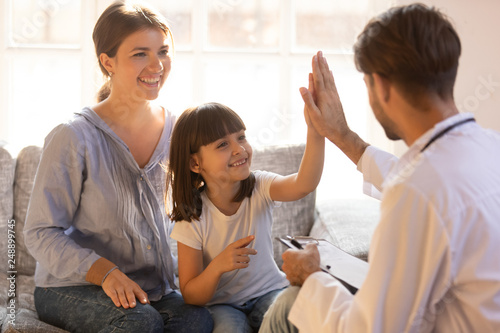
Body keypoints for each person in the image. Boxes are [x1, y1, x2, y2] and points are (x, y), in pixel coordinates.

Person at [260, 3, 500, 332]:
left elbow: (370, 329)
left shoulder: (417, 191)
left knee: (288, 306)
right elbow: (427, 185)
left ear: (381, 85)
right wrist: (342, 136)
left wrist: (311, 276)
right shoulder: (489, 147)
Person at [23, 2, 212, 332]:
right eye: (141, 54)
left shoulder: (179, 130)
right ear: (107, 62)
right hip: (72, 287)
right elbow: (39, 233)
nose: (157, 65)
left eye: (163, 51)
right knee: (139, 321)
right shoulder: (73, 137)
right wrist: (105, 272)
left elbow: (207, 200)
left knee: (196, 318)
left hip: (152, 288)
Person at [166, 101, 325, 332]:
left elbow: (304, 184)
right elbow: (191, 295)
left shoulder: (260, 186)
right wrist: (217, 266)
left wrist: (316, 132)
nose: (239, 148)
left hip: (270, 291)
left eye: (241, 137)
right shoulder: (191, 216)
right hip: (222, 306)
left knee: (293, 313)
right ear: (195, 163)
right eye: (223, 144)